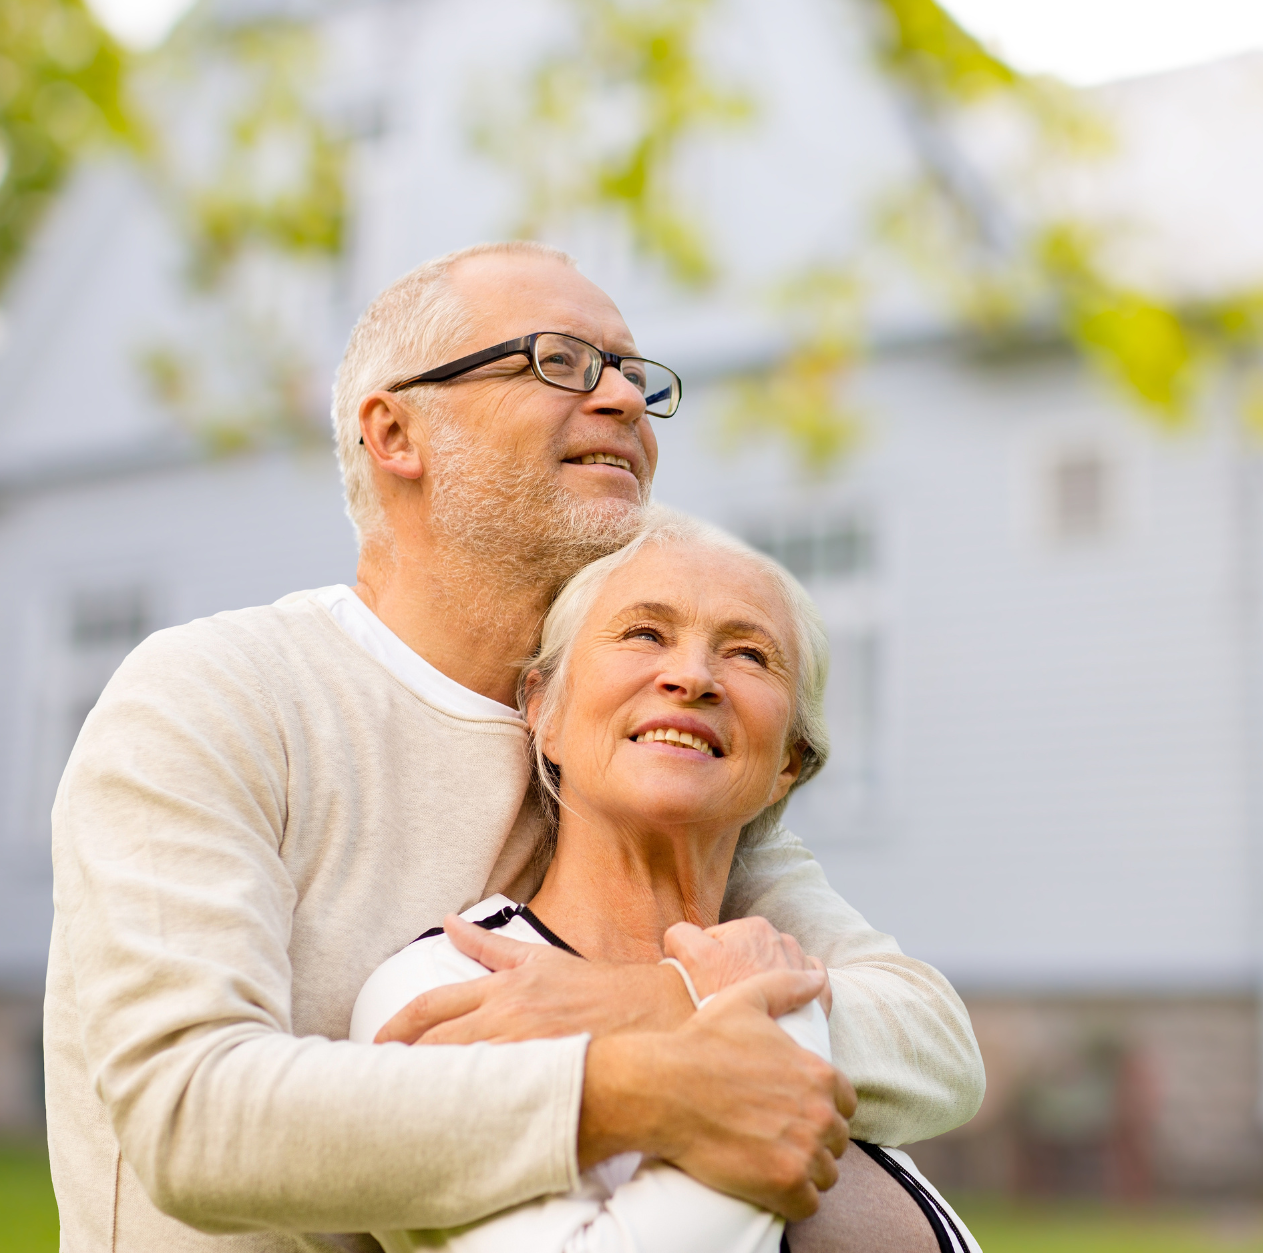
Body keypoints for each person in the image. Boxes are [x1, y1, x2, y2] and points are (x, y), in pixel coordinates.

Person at [45, 241, 984, 1251]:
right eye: (560, 360)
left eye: (631, 371)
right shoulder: (219, 694)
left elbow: (928, 1038)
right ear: (396, 430)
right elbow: (192, 1115)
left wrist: (650, 1001)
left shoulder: (634, 752)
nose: (624, 397)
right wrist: (635, 1084)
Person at [350, 508, 979, 1253]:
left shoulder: (783, 966)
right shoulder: (450, 982)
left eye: (749, 654)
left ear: (789, 765)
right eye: (644, 633)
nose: (691, 676)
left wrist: (700, 998)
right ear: (542, 709)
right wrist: (766, 1015)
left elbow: (944, 1057)